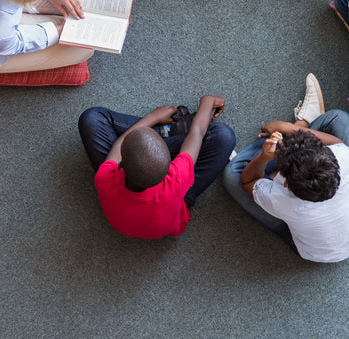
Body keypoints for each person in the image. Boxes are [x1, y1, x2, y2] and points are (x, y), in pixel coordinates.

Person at [222, 77, 349, 262]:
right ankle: (297, 129)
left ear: (284, 181)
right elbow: (337, 143)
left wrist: (264, 156)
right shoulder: (343, 157)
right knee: (338, 119)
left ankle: (292, 133)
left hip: (309, 249)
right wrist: (288, 128)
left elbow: (246, 181)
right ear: (331, 157)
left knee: (232, 174)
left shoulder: (282, 201)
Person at [78, 95, 235, 239]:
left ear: (120, 164)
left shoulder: (105, 178)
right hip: (177, 201)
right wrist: (207, 101)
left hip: (130, 207)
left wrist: (153, 117)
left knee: (92, 118)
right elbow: (198, 132)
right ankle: (168, 132)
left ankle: (162, 131)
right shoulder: (175, 178)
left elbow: (120, 144)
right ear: (170, 165)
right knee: (224, 136)